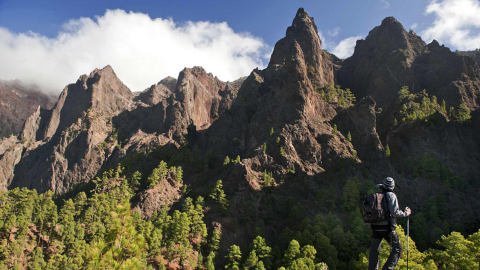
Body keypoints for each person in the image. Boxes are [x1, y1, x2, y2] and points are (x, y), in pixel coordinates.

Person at [368, 177, 411, 270]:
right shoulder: (391, 195)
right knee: (397, 248)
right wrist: (406, 213)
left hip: (375, 226)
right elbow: (394, 212)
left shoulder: (376, 195)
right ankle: (388, 268)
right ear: (392, 187)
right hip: (387, 227)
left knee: (374, 250)